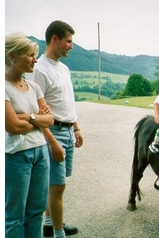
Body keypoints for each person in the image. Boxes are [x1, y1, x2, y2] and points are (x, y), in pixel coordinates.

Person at [25, 20, 83, 238]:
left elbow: (68, 101)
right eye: (68, 41)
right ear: (55, 39)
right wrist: (52, 141)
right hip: (53, 134)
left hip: (67, 131)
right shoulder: (38, 69)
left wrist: (76, 127)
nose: (71, 46)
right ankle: (59, 234)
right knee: (58, 187)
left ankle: (49, 225)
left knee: (55, 185)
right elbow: (36, 115)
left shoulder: (63, 67)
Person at [5, 33, 54, 237]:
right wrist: (37, 120)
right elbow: (13, 127)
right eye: (30, 55)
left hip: (40, 152)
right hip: (16, 156)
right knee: (14, 215)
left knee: (36, 211)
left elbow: (50, 120)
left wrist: (28, 117)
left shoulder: (33, 87)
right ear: (13, 56)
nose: (35, 59)